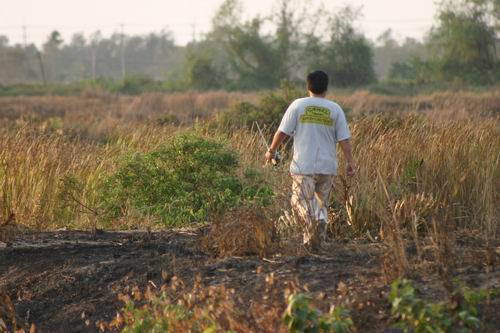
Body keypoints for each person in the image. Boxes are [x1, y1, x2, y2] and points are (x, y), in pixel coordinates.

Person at [265, 70, 355, 250]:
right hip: (327, 167)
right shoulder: (335, 109)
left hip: (303, 167)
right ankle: (314, 245)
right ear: (326, 88)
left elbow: (282, 132)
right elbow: (344, 139)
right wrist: (350, 162)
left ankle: (317, 222)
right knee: (320, 204)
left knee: (300, 202)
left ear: (308, 87)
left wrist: (271, 151)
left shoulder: (298, 105)